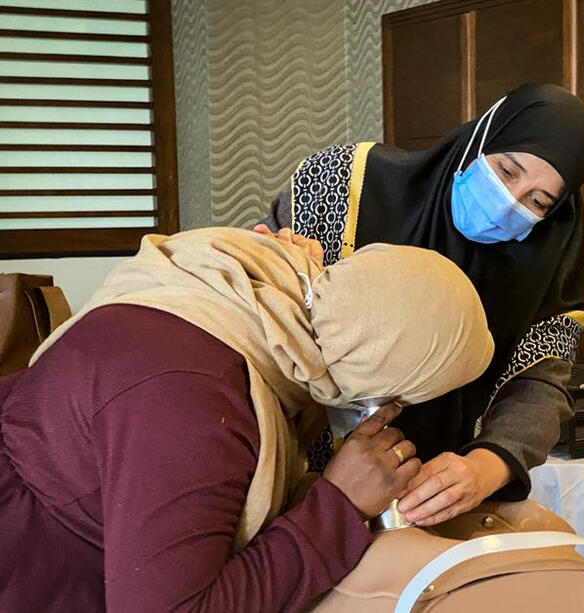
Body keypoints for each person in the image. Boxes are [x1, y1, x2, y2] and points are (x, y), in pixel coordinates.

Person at [0, 228, 493, 611]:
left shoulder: (251, 287)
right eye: (400, 394)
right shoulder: (190, 402)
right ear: (376, 365)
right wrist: (338, 506)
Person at [257, 82, 584, 527]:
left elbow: (539, 386)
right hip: (291, 474)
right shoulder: (344, 185)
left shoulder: (547, 263)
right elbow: (258, 300)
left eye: (538, 201)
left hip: (424, 493)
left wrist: (485, 467)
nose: (508, 202)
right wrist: (267, 260)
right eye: (506, 170)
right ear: (480, 140)